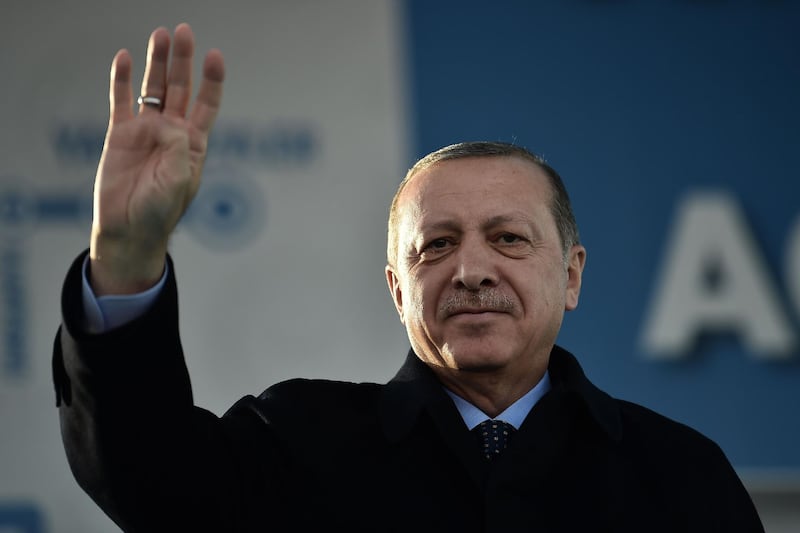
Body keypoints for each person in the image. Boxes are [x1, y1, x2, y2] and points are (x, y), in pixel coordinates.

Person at [52, 24, 764, 532]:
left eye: (509, 239)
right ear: (398, 288)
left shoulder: (681, 477)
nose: (472, 269)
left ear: (572, 275)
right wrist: (125, 255)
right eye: (438, 245)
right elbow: (148, 481)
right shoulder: (293, 442)